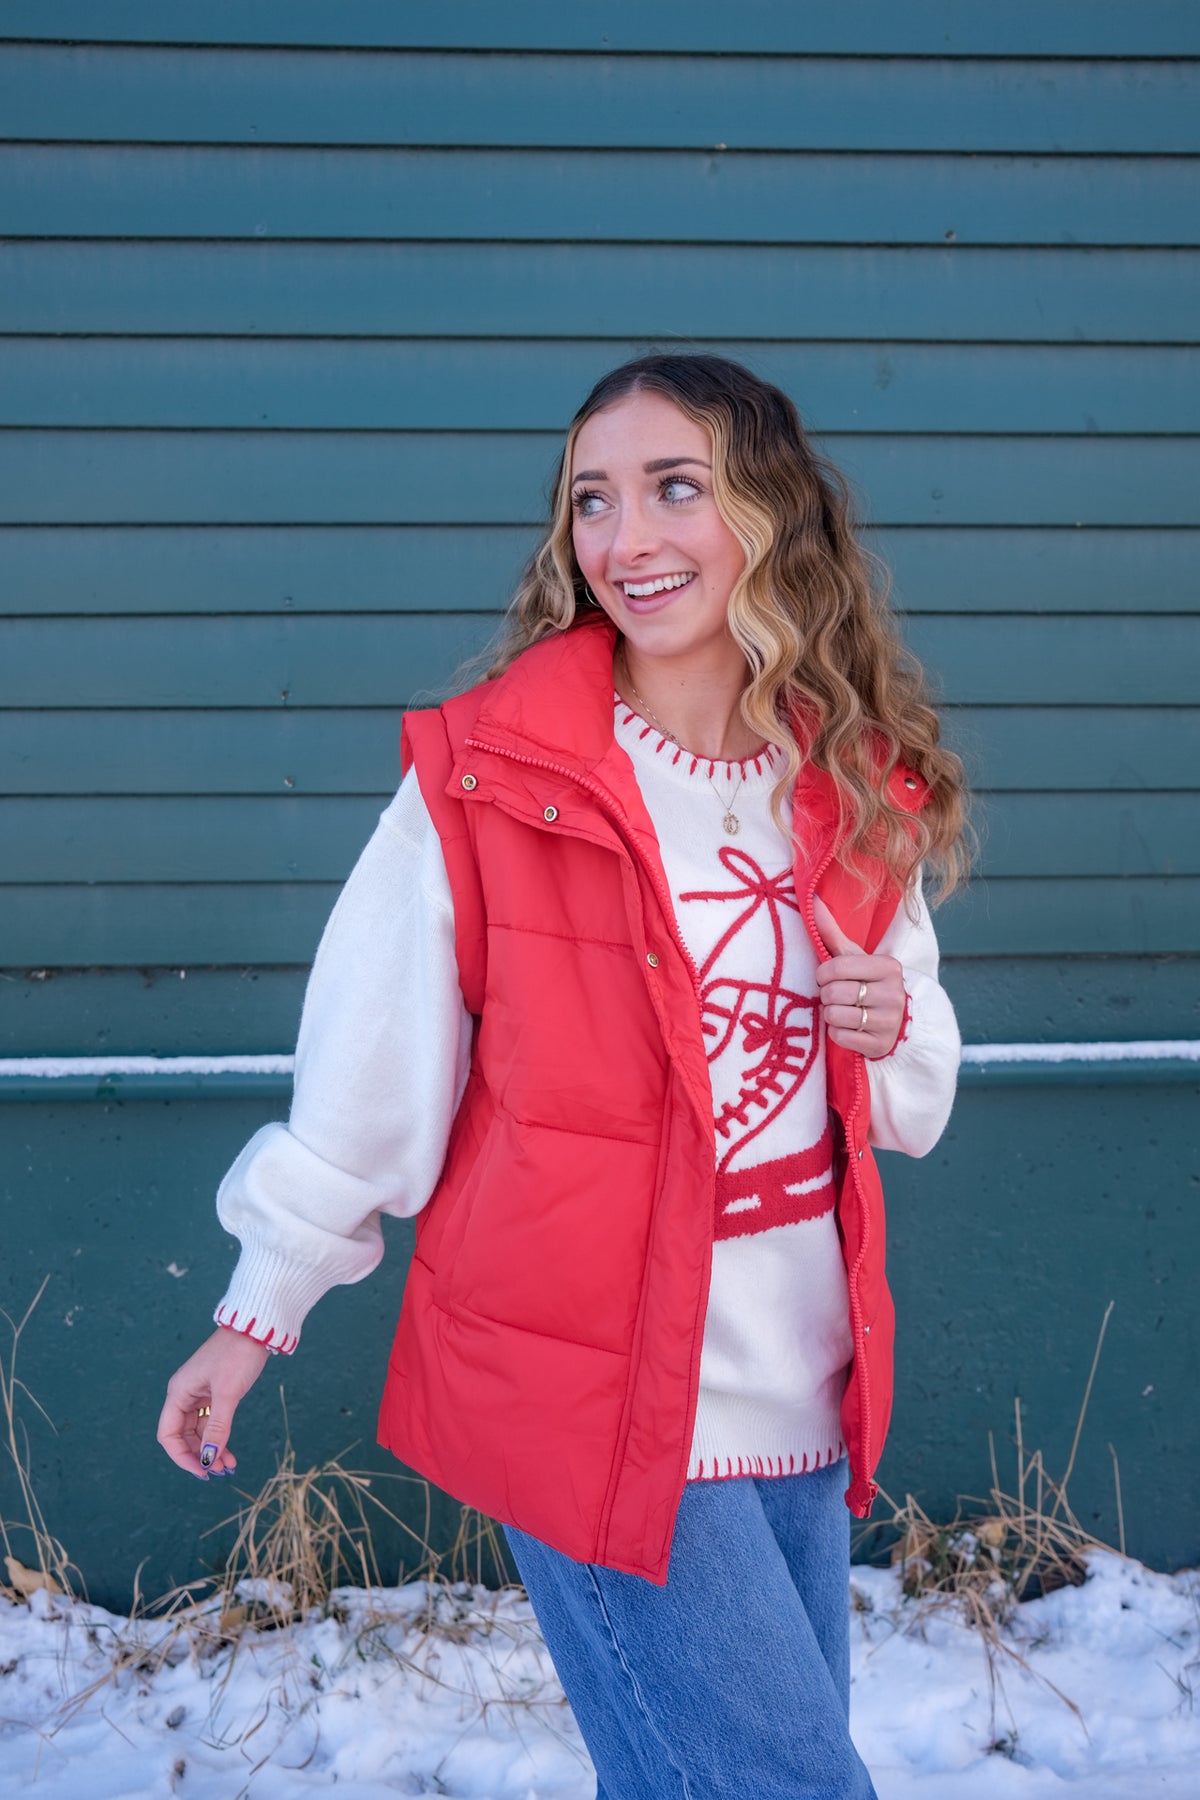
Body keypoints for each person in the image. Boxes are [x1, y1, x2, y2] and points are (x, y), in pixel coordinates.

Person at [157, 353, 968, 1798]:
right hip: (597, 1382)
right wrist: (258, 1306)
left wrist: (887, 1021)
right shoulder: (489, 779)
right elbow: (369, 1062)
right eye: (593, 500)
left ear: (771, 517)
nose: (626, 538)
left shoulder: (844, 778)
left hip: (803, 1376)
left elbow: (907, 1098)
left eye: (676, 488)